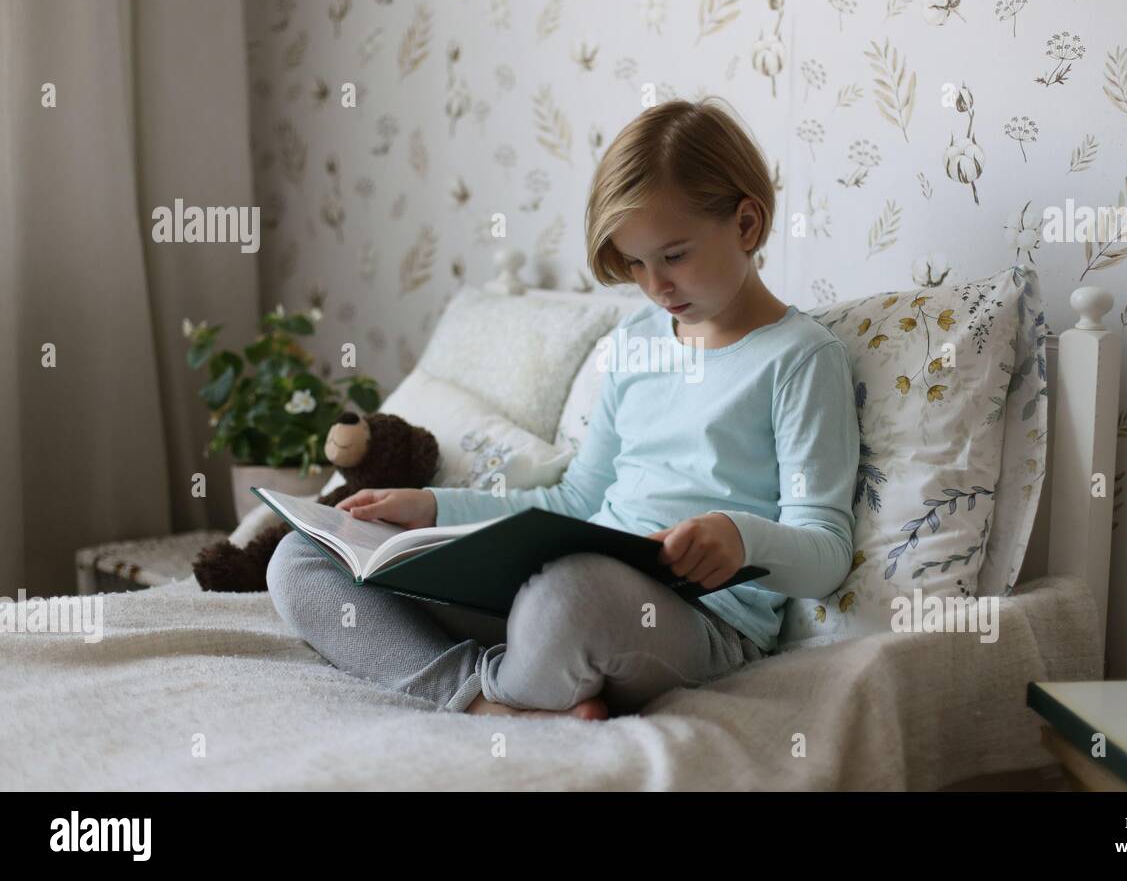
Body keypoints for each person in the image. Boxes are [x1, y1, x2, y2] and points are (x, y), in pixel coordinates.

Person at [266, 97, 859, 721]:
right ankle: (479, 696)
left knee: (568, 596)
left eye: (674, 255)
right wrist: (433, 507)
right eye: (635, 263)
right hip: (559, 594)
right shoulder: (635, 343)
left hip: (694, 623)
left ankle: (514, 680)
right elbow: (576, 502)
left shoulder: (799, 358)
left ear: (746, 224)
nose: (655, 286)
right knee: (301, 558)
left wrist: (740, 539)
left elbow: (827, 551)